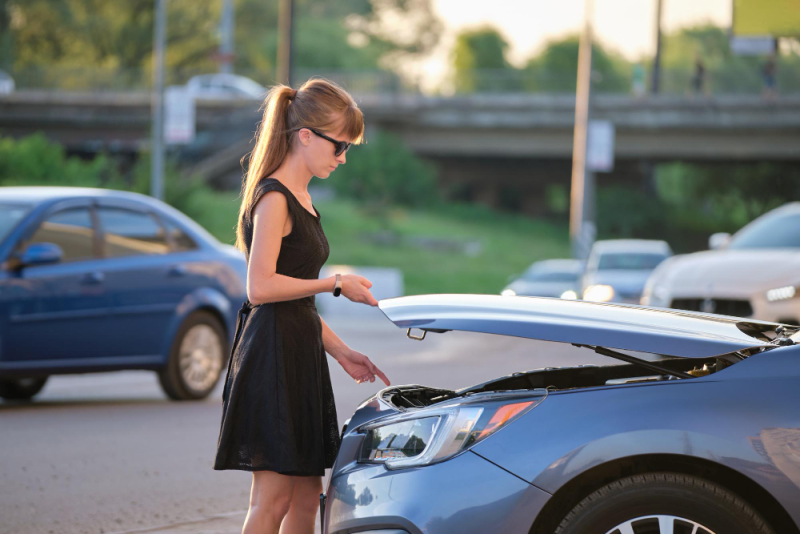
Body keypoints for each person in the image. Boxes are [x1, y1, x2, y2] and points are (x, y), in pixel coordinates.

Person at [213, 78, 391, 534]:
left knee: (307, 498)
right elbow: (260, 288)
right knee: (271, 501)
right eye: (339, 146)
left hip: (298, 352)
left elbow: (298, 300)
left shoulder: (304, 200)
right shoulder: (274, 197)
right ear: (306, 136)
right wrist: (336, 283)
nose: (343, 157)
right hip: (271, 357)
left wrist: (342, 351)